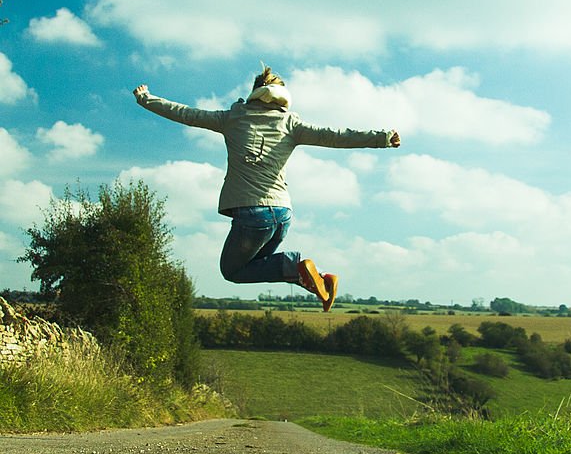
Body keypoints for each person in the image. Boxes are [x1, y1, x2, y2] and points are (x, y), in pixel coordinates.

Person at [132, 66, 400, 312]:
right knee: (256, 266)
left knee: (232, 271)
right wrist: (382, 138)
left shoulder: (233, 118)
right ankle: (316, 276)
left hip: (252, 216)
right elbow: (335, 136)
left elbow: (186, 114)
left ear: (254, 93)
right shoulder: (291, 124)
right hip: (282, 214)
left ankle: (298, 267)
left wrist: (146, 99)